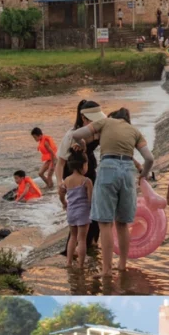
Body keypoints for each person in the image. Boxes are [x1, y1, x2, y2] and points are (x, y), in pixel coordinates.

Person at [72, 107, 155, 281]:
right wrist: (144, 175)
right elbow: (149, 159)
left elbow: (76, 134)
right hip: (127, 171)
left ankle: (106, 270)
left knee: (105, 223)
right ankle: (122, 265)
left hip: (108, 168)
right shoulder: (135, 131)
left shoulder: (105, 122)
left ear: (113, 117)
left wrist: (83, 145)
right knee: (123, 223)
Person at [57, 100, 107, 253]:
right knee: (81, 208)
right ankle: (73, 249)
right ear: (84, 118)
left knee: (96, 204)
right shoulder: (71, 135)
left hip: (89, 168)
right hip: (73, 171)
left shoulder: (98, 129)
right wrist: (60, 183)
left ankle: (92, 241)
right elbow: (60, 163)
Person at [60, 150, 93, 267]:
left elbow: (61, 193)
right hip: (83, 212)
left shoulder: (66, 180)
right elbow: (90, 199)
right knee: (82, 239)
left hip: (71, 212)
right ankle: (80, 264)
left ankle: (68, 262)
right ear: (83, 165)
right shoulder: (86, 181)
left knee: (73, 237)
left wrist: (64, 203)